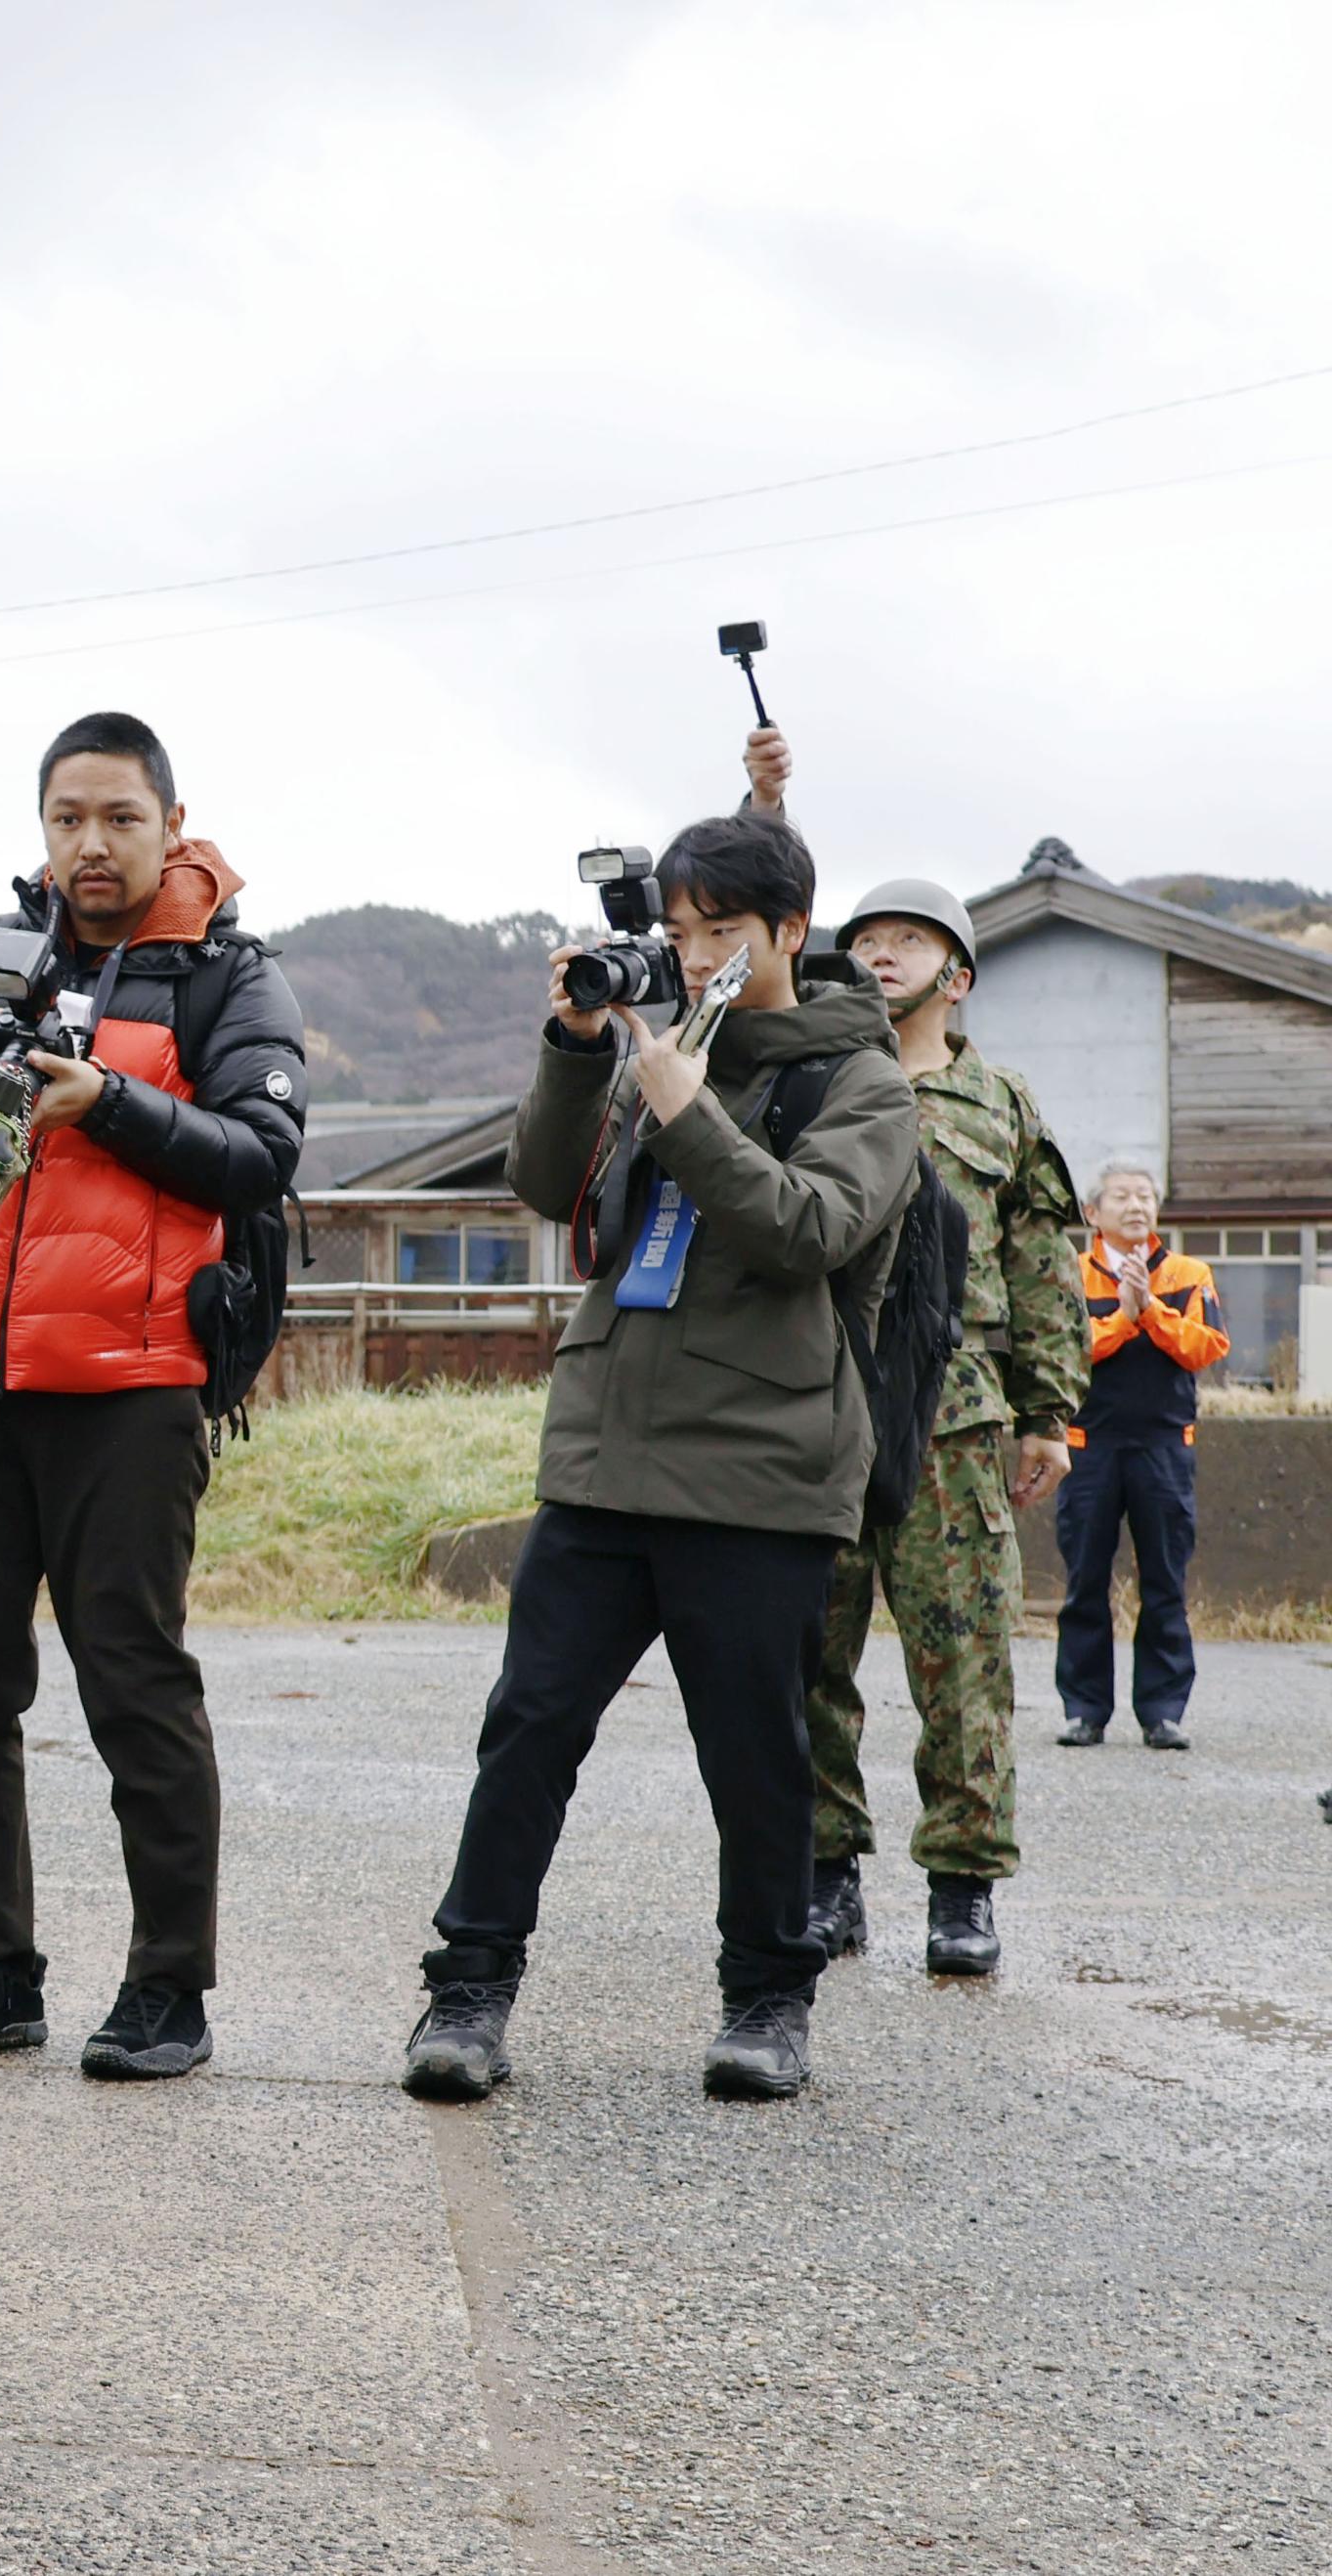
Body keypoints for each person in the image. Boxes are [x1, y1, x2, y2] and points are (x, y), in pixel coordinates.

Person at [398, 793, 920, 2109]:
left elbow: (810, 1227)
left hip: (760, 1469)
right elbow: (540, 1181)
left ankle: (768, 1999)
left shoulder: (860, 1080)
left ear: (791, 927)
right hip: (604, 1452)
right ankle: (468, 1989)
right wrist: (579, 1048)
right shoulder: (666, 1040)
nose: (695, 952)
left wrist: (689, 1110)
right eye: (681, 927)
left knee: (755, 1752)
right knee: (527, 1729)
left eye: (723, 926)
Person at [0, 710, 306, 2081]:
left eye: (119, 817)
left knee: (135, 1685)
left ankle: (167, 1986)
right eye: (67, 817)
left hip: (135, 1383)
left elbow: (260, 1155)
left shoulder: (226, 975)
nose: (91, 841)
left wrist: (107, 1102)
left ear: (168, 822)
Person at [804, 868, 1084, 1978]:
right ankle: (825, 1876)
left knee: (961, 1655)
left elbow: (1040, 1266)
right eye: (864, 938)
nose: (879, 954)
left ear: (955, 976)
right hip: (817, 1394)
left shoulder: (1000, 1105)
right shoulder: (814, 1078)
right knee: (802, 1647)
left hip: (957, 1410)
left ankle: (960, 1888)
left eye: (907, 941)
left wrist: (1047, 1412)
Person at [1054, 1161, 1226, 1749]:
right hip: (1089, 1446)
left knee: (1164, 1583)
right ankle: (1083, 1710)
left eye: (1146, 1196)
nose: (1136, 1205)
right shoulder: (1071, 1275)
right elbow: (1064, 1353)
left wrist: (1150, 1308)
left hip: (1163, 1449)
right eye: (1122, 1196)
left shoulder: (1186, 1272)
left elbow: (1206, 1347)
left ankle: (1162, 1711)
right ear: (1093, 1213)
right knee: (1084, 1582)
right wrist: (1124, 1317)